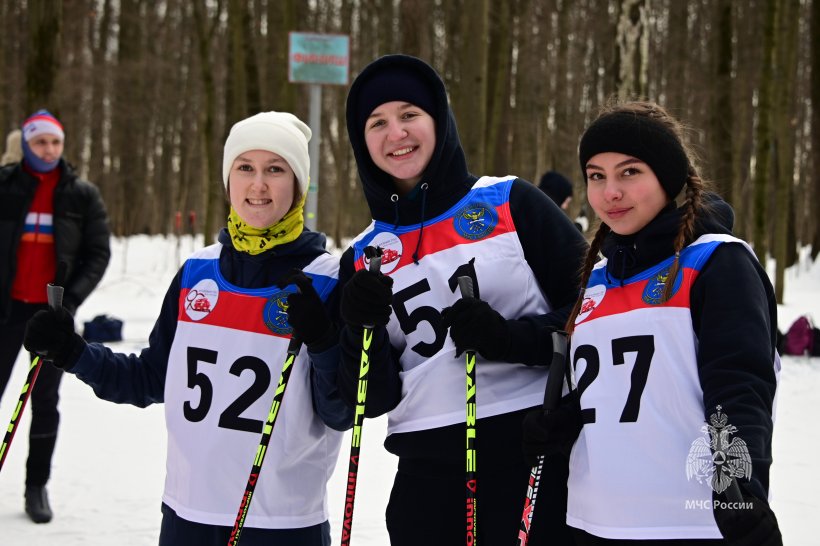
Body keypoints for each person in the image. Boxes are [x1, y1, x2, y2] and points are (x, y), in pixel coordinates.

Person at [23, 111, 352, 545]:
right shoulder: (198, 272)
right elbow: (150, 379)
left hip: (282, 522)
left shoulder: (326, 279)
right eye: (245, 168)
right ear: (227, 179)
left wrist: (326, 341)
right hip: (188, 515)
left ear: (297, 184)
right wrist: (73, 352)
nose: (258, 185)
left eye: (276, 169)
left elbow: (341, 410)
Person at [336, 54, 587, 545]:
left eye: (409, 114)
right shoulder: (364, 255)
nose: (396, 133)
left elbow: (597, 312)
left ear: (438, 120)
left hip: (531, 459)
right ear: (361, 141)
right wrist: (357, 329)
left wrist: (510, 338)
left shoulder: (511, 202)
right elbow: (368, 398)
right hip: (426, 480)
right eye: (377, 122)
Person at [523, 101, 781, 544]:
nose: (610, 192)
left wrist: (742, 490)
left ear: (666, 177)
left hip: (685, 522)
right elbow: (619, 388)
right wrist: (565, 421)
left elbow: (740, 387)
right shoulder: (596, 280)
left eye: (629, 172)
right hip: (593, 522)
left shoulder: (716, 262)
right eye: (596, 176)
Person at [0, 110, 111, 524]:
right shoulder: (6, 184)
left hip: (51, 316)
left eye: (55, 142)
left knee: (45, 401)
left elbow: (97, 252)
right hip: (6, 310)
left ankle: (36, 486)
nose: (48, 149)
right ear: (26, 143)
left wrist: (72, 300)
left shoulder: (81, 194)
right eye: (40, 141)